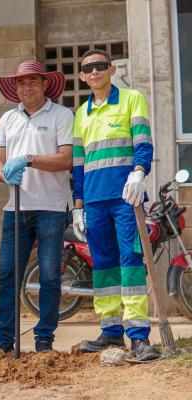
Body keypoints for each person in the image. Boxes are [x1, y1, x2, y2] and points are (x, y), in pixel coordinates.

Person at [72, 49, 159, 361]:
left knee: (131, 262)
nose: (94, 72)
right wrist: (78, 205)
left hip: (126, 199)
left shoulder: (131, 98)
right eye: (88, 68)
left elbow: (143, 141)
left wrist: (139, 172)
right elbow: (78, 165)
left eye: (100, 66)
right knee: (104, 265)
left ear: (110, 69)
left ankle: (138, 337)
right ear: (81, 76)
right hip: (94, 202)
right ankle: (110, 332)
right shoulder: (81, 114)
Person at [0, 61, 73, 353]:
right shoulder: (8, 119)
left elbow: (66, 159)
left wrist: (29, 159)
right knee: (8, 274)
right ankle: (2, 340)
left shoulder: (61, 115)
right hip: (16, 208)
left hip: (52, 207)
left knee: (48, 276)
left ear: (45, 84)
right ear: (15, 88)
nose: (27, 87)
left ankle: (44, 338)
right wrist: (4, 172)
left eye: (33, 81)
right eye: (21, 83)